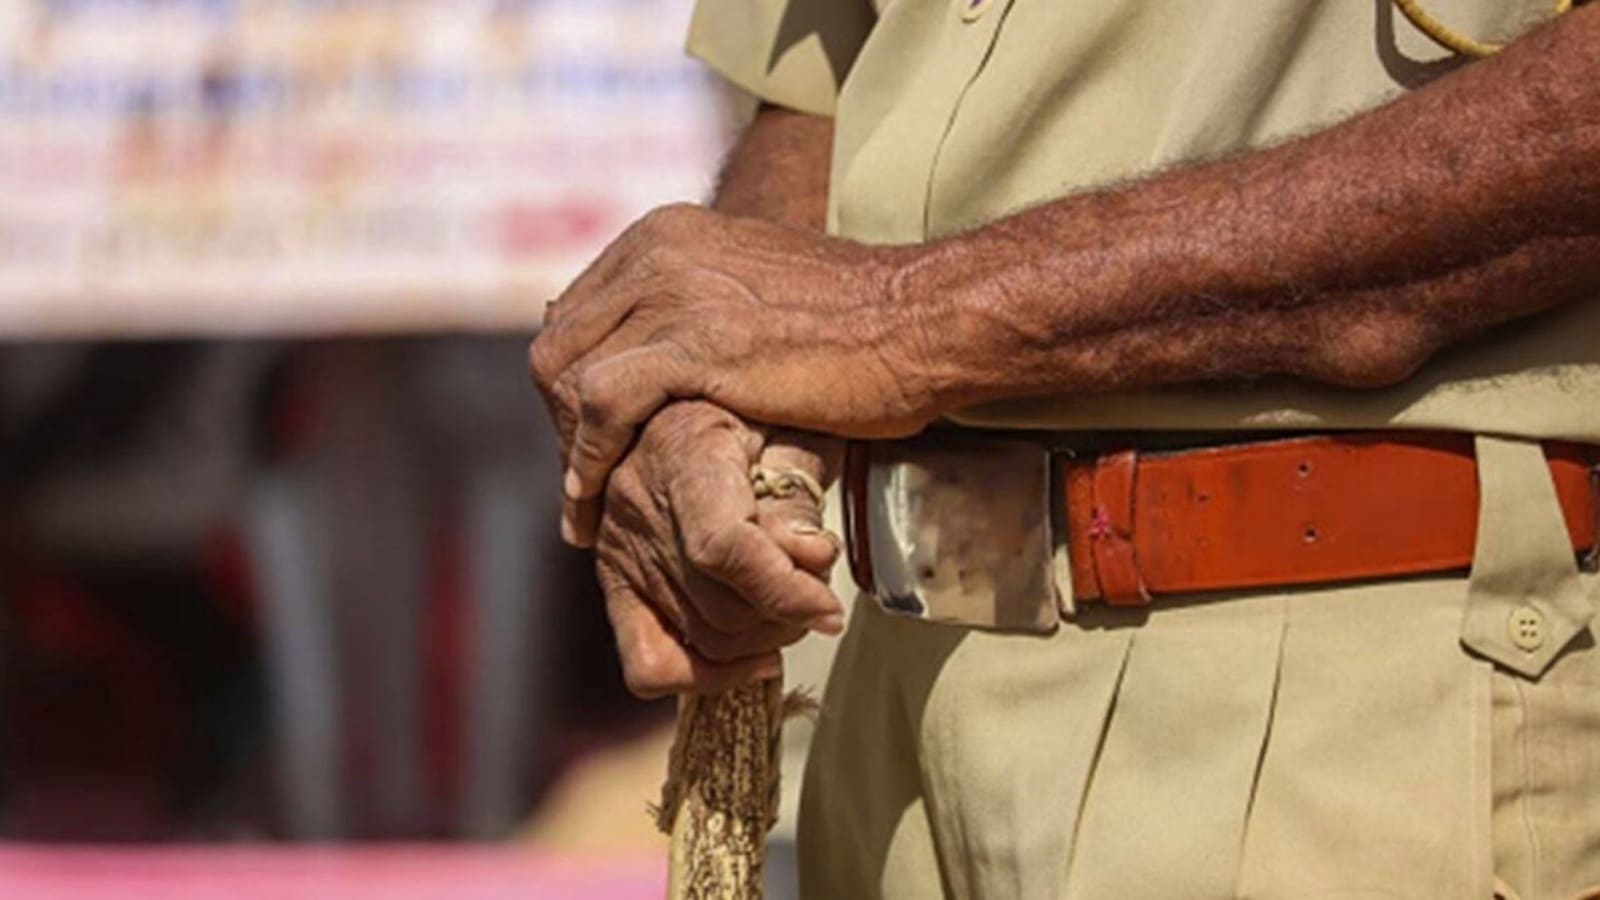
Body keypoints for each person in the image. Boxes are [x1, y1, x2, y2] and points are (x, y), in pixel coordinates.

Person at [529, 1, 1600, 896]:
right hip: (898, 678)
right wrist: (728, 398)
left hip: (1345, 687)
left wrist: (897, 321)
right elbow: (823, 79)